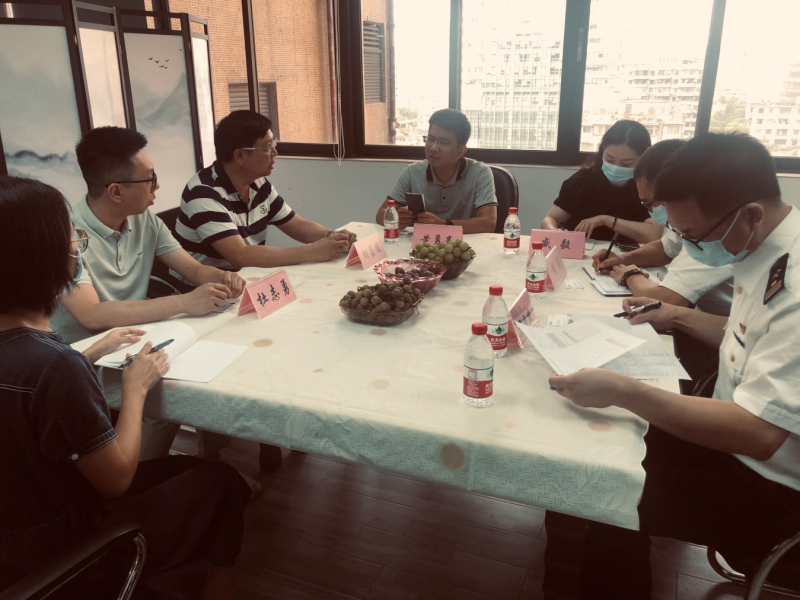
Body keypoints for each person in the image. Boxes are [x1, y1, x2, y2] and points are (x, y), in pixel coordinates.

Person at [549, 133, 800, 599]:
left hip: (769, 489)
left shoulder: (795, 286)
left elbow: (761, 434)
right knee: (588, 449)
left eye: (693, 236)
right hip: (730, 440)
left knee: (607, 489)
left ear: (750, 214)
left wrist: (625, 390)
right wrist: (676, 315)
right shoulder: (764, 244)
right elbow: (747, 337)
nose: (686, 247)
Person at [0, 176, 250, 599]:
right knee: (222, 485)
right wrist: (135, 390)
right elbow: (116, 479)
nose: (77, 248)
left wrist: (88, 354)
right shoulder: (55, 365)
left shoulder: (45, 359)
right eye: (71, 238)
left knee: (195, 471)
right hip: (63, 550)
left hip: (17, 534)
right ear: (43, 258)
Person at [53, 126, 247, 346]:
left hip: (132, 340)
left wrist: (222, 277)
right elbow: (91, 316)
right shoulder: (65, 236)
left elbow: (192, 270)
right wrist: (183, 302)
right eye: (150, 179)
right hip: (80, 352)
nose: (157, 185)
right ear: (116, 192)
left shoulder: (144, 219)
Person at [175, 110, 356, 271]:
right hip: (204, 288)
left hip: (246, 278)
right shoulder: (203, 193)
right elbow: (240, 257)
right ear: (240, 155)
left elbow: (297, 226)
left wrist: (332, 235)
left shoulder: (258, 184)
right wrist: (312, 251)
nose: (275, 152)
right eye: (268, 146)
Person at [590, 139, 734, 318]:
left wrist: (630, 275)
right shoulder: (689, 220)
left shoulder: (711, 230)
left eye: (650, 203)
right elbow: (666, 248)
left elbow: (665, 300)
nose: (652, 210)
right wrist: (623, 259)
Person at [376, 108, 497, 234]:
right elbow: (380, 214)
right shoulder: (412, 172)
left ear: (460, 151)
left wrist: (442, 225)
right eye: (430, 139)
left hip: (464, 244)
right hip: (422, 244)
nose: (433, 148)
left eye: (443, 142)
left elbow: (489, 223)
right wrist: (396, 219)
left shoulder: (480, 173)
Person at [541, 120, 658, 242]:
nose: (616, 168)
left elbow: (654, 234)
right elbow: (550, 219)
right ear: (602, 152)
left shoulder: (646, 187)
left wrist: (606, 220)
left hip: (624, 253)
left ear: (643, 160)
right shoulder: (584, 180)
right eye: (610, 160)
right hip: (581, 250)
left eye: (626, 164)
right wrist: (555, 232)